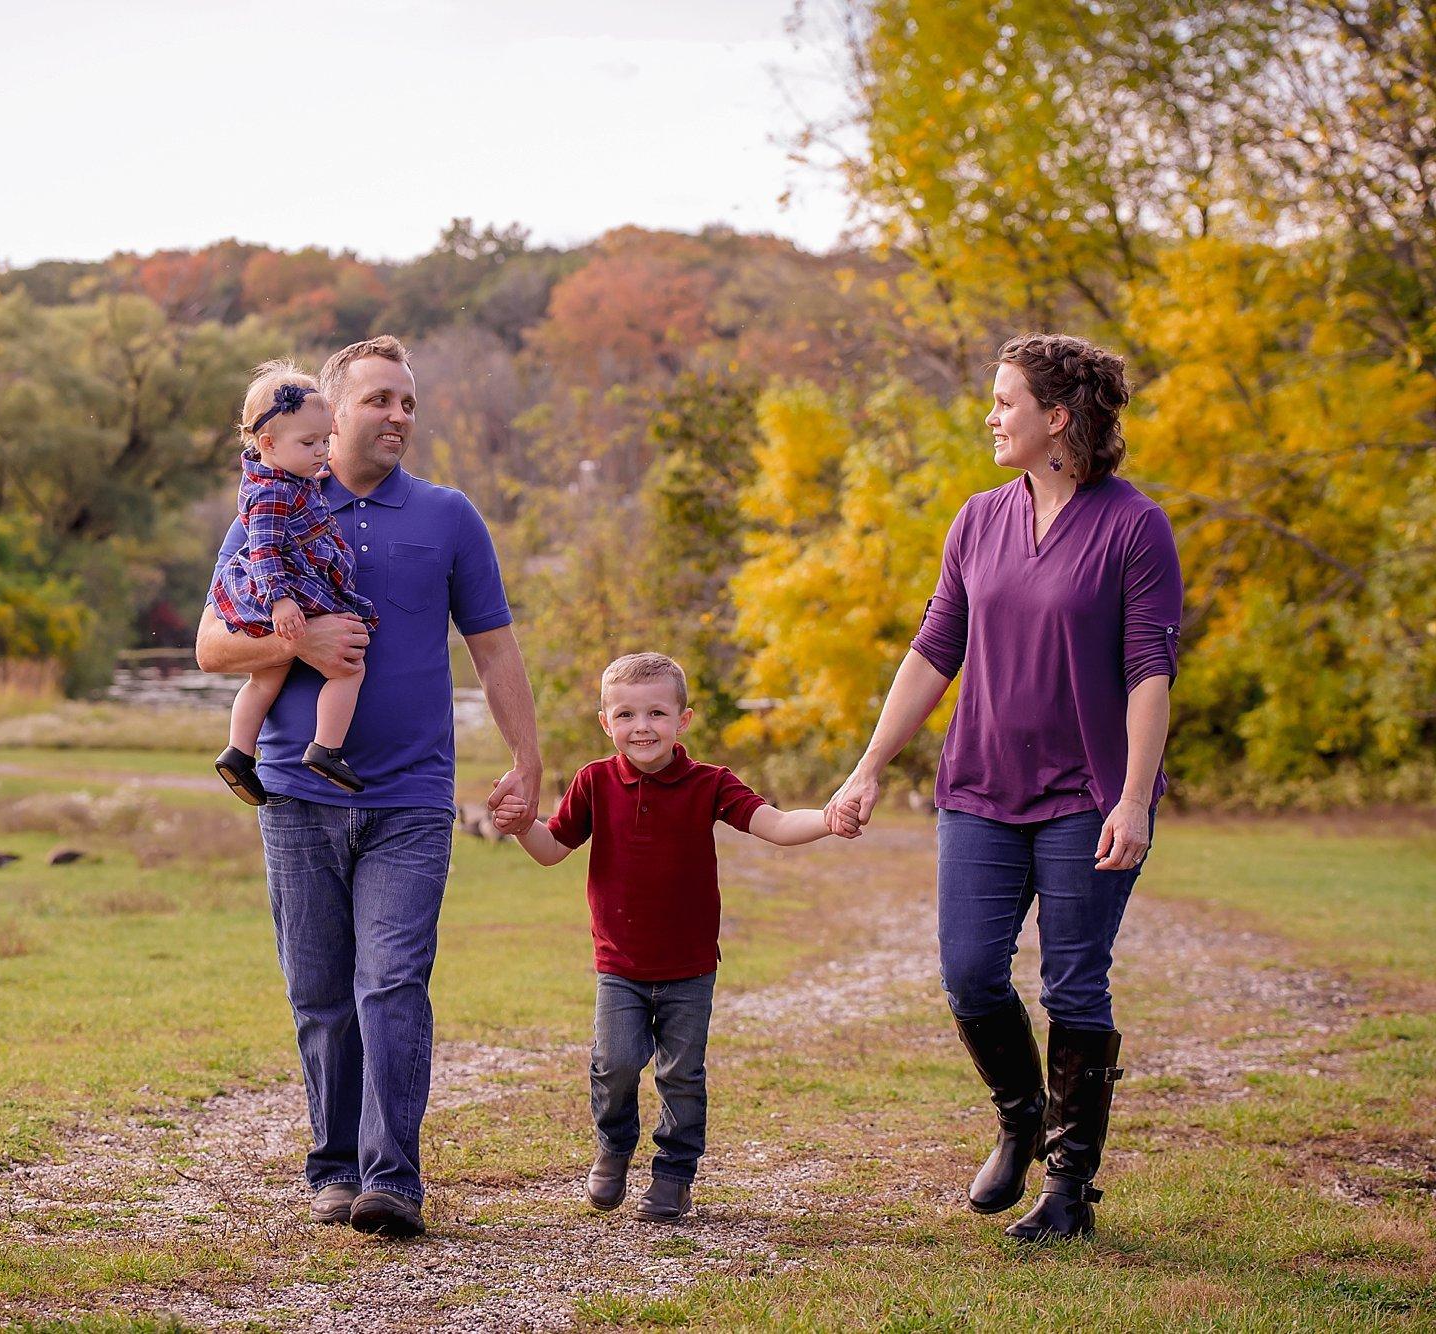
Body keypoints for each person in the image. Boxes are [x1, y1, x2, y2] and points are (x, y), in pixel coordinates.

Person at [824, 332, 1184, 1240]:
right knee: (971, 974)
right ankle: (1022, 1116)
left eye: (1005, 402)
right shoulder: (978, 519)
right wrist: (869, 768)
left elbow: (1149, 669)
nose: (991, 416)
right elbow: (933, 649)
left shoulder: (1134, 526)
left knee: (1074, 984)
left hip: (1087, 796)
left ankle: (1069, 1187)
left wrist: (1135, 796)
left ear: (1056, 418)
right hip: (980, 786)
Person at [196, 335, 542, 1239]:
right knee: (318, 991)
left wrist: (526, 758)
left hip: (411, 798)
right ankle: (334, 1167)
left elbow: (494, 646)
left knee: (392, 982)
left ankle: (393, 1180)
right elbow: (212, 649)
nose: (399, 417)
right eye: (382, 400)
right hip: (296, 795)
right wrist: (295, 644)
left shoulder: (448, 515)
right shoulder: (265, 513)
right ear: (332, 410)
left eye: (409, 404)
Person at [496, 652, 839, 1223]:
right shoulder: (593, 782)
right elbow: (552, 849)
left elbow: (775, 825)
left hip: (689, 966)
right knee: (615, 1063)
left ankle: (674, 1174)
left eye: (657, 712)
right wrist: (518, 826)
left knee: (681, 1073)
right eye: (626, 714)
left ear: (683, 719)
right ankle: (613, 1147)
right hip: (620, 965)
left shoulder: (709, 784)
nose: (642, 727)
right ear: (606, 723)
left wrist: (828, 818)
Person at [210, 361, 379, 802]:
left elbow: (295, 502)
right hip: (288, 592)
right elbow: (264, 550)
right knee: (348, 668)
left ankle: (238, 753)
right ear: (267, 443)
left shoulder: (285, 478)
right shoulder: (271, 495)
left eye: (325, 441)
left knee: (266, 679)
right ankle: (326, 748)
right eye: (309, 443)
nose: (322, 451)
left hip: (286, 591)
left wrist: (309, 471)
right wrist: (281, 601)